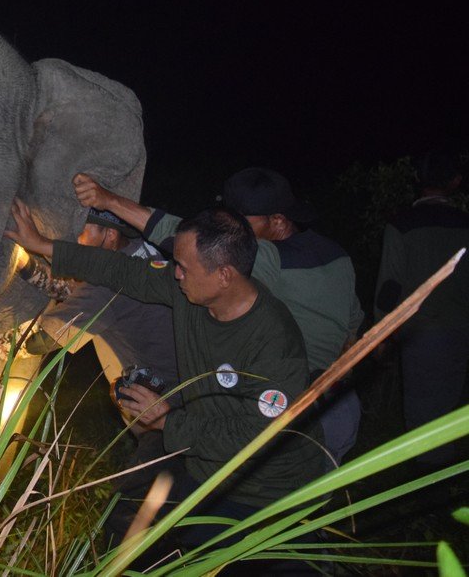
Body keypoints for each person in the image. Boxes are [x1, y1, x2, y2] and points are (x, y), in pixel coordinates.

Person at [5, 198, 324, 549]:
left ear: (224, 275)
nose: (175, 273)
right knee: (125, 530)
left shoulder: (275, 343)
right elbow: (120, 271)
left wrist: (167, 421)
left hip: (263, 492)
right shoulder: (189, 293)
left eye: (184, 267)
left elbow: (254, 437)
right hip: (202, 464)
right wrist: (43, 245)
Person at [75, 169, 364, 465]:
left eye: (241, 219)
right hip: (341, 405)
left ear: (277, 221)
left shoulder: (266, 257)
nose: (229, 227)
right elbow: (352, 330)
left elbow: (180, 236)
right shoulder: (337, 256)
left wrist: (109, 201)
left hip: (295, 414)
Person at [0, 207, 178, 398]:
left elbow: (43, 339)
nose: (77, 240)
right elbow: (75, 292)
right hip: (180, 373)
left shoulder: (105, 289)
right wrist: (26, 264)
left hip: (166, 397)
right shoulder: (139, 251)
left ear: (110, 235)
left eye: (83, 232)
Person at [375, 151, 469, 470]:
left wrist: (381, 333)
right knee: (447, 400)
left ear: (418, 180)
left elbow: (389, 286)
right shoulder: (464, 224)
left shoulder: (401, 224)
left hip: (420, 332)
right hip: (460, 328)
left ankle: (426, 472)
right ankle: (438, 469)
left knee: (420, 404)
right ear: (455, 182)